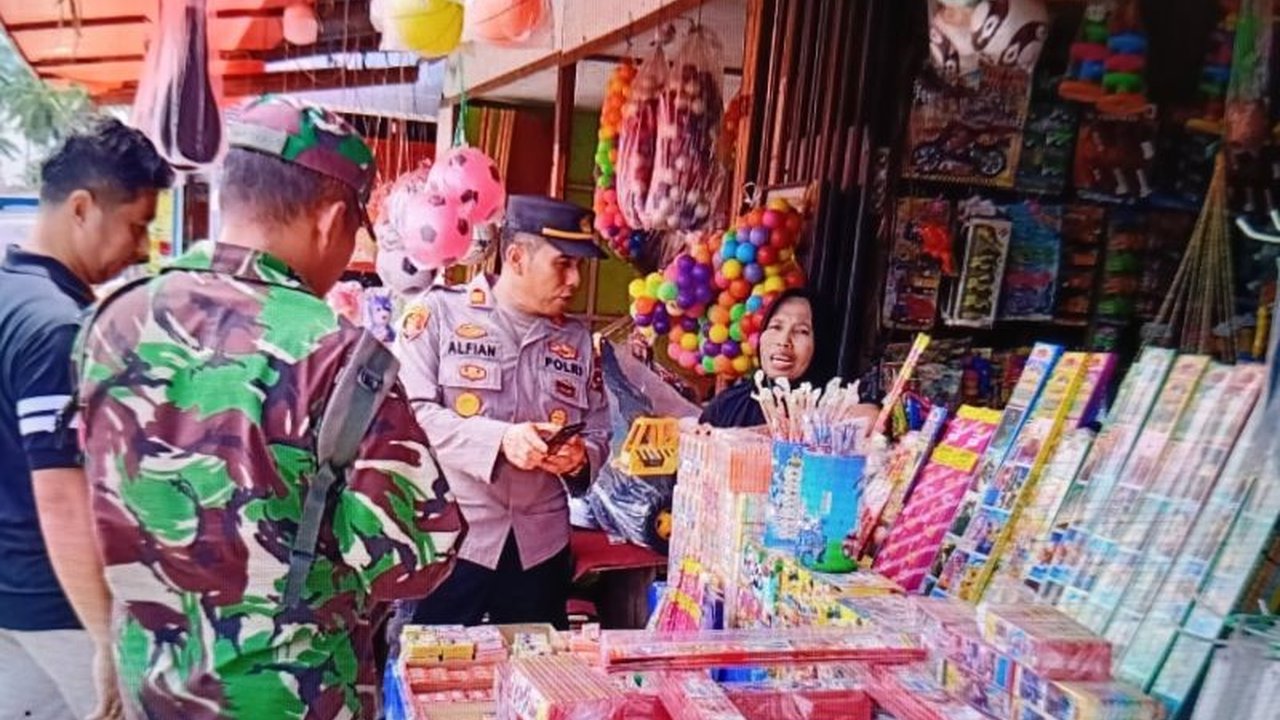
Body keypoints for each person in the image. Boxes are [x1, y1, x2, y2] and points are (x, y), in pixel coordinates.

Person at [73, 97, 463, 720]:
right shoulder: (338, 357)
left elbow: (92, 495)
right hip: (291, 698)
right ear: (331, 221)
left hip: (152, 683)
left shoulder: (114, 320)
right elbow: (412, 563)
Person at [0, 118, 172, 720]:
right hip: (59, 605)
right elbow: (61, 496)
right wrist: (104, 636)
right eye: (136, 226)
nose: (141, 249)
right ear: (81, 208)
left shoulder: (10, 297)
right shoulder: (56, 328)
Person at [396, 195, 612, 630]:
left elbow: (599, 432)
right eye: (563, 264)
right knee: (432, 664)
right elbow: (410, 415)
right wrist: (499, 440)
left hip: (540, 548)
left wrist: (579, 459)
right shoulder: (438, 315)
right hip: (452, 538)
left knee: (537, 664)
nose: (574, 279)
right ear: (516, 258)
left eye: (579, 266)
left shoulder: (578, 341)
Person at [700, 288, 878, 428]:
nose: (784, 341)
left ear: (821, 343)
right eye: (776, 327)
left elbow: (873, 418)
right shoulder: (725, 406)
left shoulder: (833, 408)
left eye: (802, 331)